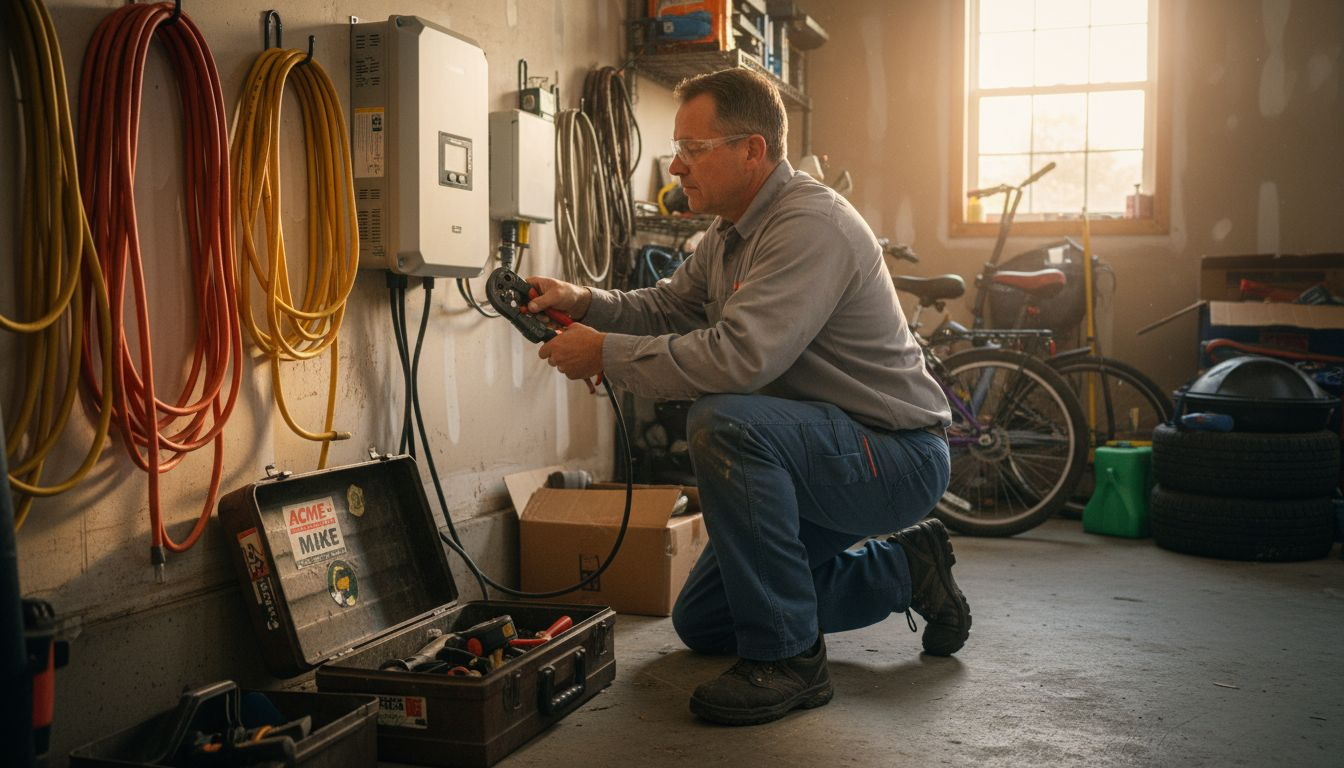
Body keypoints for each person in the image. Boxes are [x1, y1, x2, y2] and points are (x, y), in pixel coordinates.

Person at [525, 68, 967, 726]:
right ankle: (907, 570)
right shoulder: (729, 234)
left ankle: (789, 659)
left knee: (725, 422)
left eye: (693, 149)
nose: (676, 165)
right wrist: (584, 301)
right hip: (821, 451)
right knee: (704, 618)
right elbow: (667, 306)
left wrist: (605, 355)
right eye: (677, 148)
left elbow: (740, 357)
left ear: (752, 150)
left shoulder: (808, 226)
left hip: (893, 455)